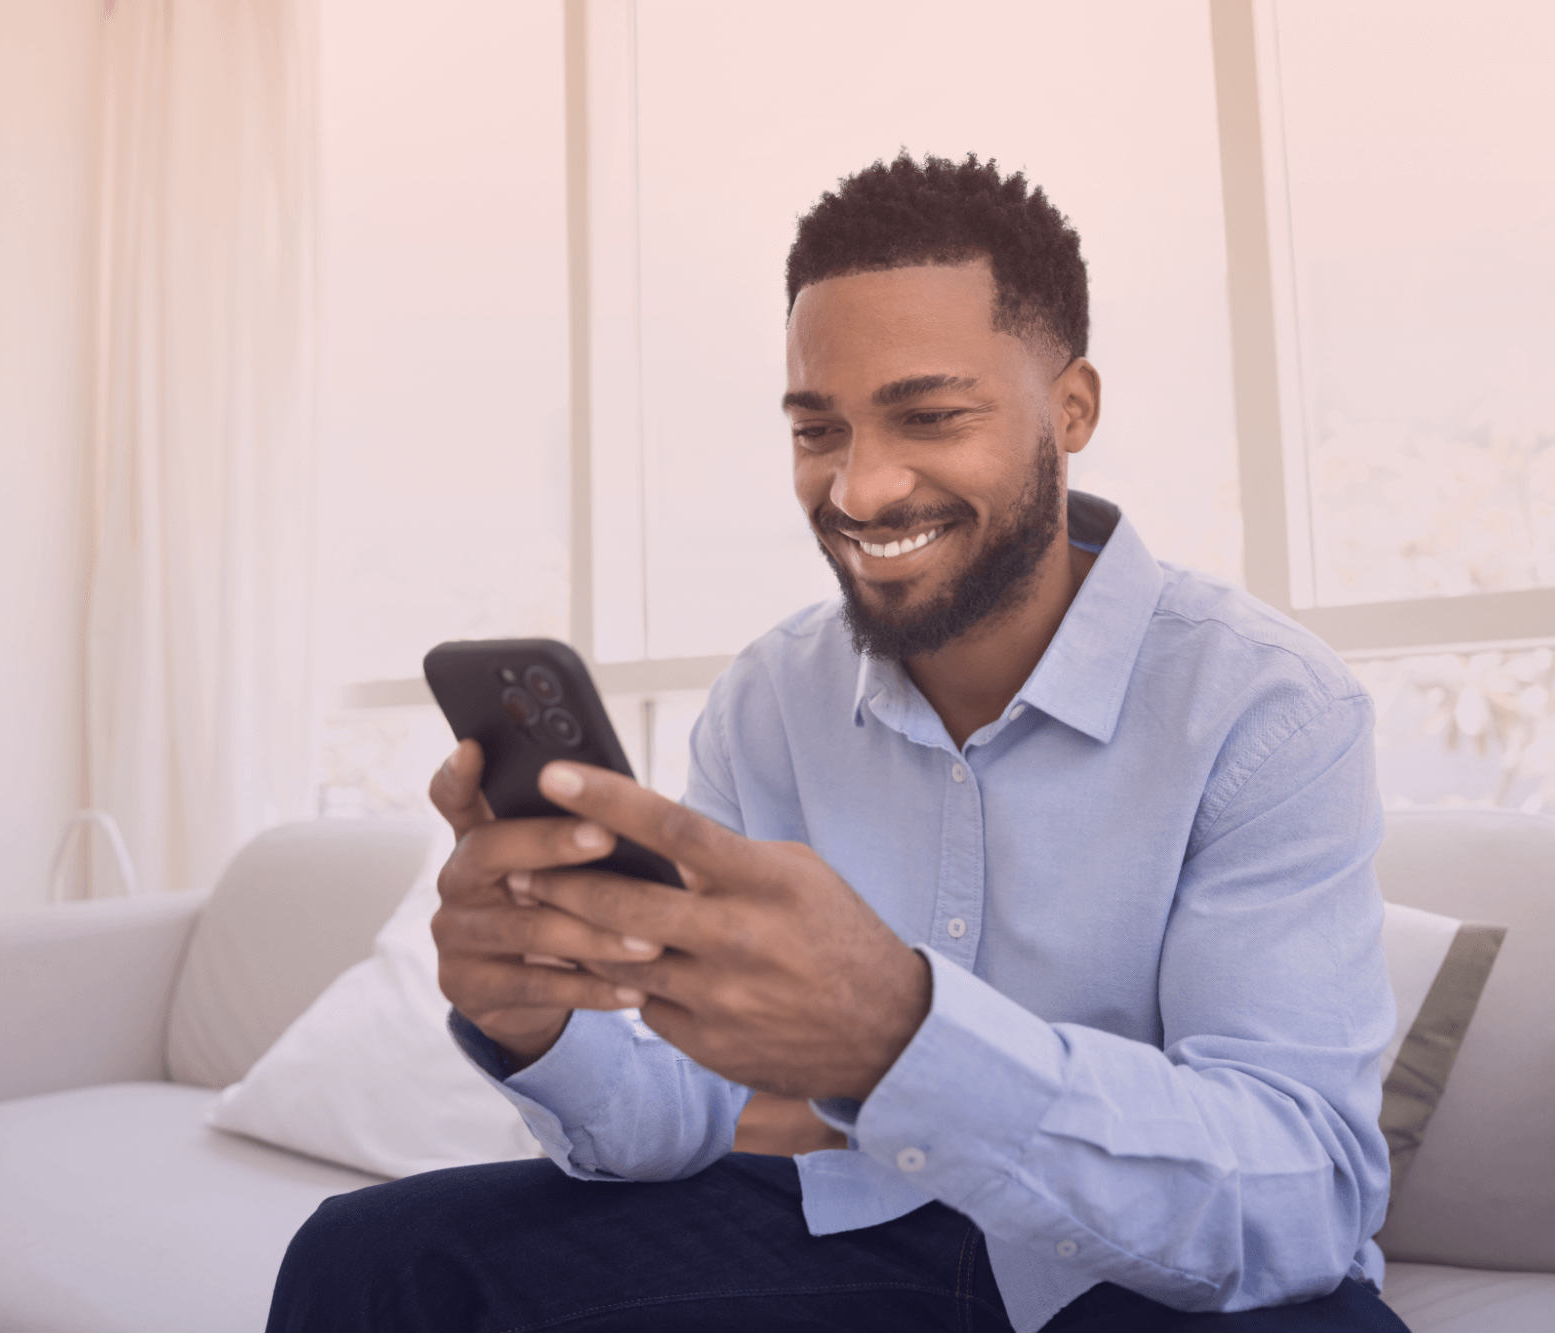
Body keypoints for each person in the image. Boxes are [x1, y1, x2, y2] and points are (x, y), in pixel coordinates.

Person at [269, 152, 1406, 1334]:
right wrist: (538, 1023)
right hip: (859, 1227)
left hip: (1144, 1277)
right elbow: (687, 1109)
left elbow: (1302, 1196)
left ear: (1071, 408)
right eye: (819, 429)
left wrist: (903, 1034)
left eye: (930, 417)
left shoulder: (1267, 706)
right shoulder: (770, 698)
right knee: (376, 1256)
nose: (859, 488)